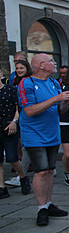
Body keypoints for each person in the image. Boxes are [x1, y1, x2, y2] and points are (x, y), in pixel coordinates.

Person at [18, 54, 69, 226]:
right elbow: (29, 110)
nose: (54, 63)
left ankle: (48, 204)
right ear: (41, 65)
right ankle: (41, 208)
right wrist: (56, 99)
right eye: (51, 61)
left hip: (52, 133)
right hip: (34, 134)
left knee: (50, 170)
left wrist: (67, 101)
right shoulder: (27, 83)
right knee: (40, 171)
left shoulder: (54, 83)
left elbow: (60, 109)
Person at [0, 67, 31, 198]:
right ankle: (2, 187)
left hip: (9, 125)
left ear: (1, 73)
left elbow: (18, 107)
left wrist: (14, 121)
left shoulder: (10, 89)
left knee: (12, 158)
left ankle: (23, 177)